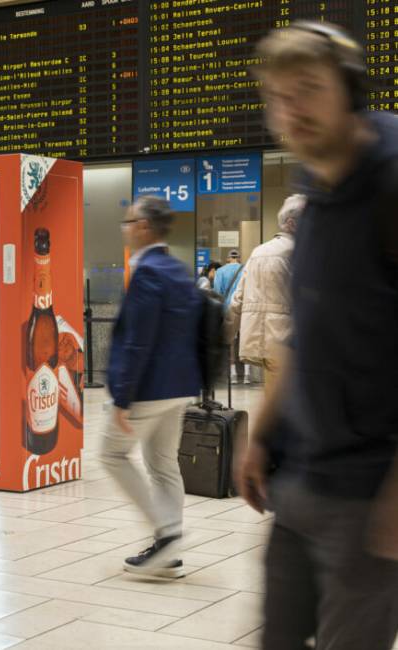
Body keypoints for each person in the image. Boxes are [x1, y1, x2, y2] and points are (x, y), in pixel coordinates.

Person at [238, 22, 398, 650]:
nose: (291, 110)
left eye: (307, 89)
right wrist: (261, 435)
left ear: (349, 90)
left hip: (369, 495)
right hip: (301, 477)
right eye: (277, 96)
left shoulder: (390, 183)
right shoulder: (313, 189)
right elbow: (306, 332)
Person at [101, 195, 202, 578]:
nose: (125, 230)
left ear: (143, 227)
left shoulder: (146, 272)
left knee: (111, 454)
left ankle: (168, 532)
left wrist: (122, 397)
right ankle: (167, 553)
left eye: (128, 223)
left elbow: (138, 340)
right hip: (180, 385)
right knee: (163, 464)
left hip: (150, 388)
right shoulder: (177, 269)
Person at [226, 194, 305, 397]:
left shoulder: (258, 252)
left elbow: (238, 299)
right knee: (289, 403)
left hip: (263, 343)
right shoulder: (297, 252)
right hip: (288, 341)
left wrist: (225, 336)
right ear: (292, 223)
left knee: (273, 397)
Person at [214, 249, 248, 383]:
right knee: (242, 341)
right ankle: (244, 375)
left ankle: (229, 374)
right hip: (244, 309)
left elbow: (217, 292)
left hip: (227, 309)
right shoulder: (246, 269)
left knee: (227, 341)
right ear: (239, 258)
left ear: (228, 258)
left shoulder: (220, 271)